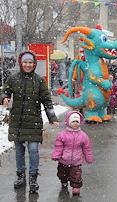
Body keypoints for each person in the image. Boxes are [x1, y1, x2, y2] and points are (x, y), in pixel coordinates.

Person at [0, 51, 59, 192]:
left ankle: (33, 178)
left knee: (33, 150)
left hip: (33, 122)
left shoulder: (39, 80)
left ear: (34, 64)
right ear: (21, 63)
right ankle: (20, 176)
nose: (28, 65)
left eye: (30, 62)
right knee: (19, 151)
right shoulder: (13, 79)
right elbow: (4, 91)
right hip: (18, 122)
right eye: (25, 62)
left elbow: (47, 100)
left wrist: (53, 117)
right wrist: (4, 98)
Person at [51, 111, 94, 196]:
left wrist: (88, 157)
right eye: (73, 121)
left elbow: (87, 148)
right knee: (62, 174)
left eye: (77, 122)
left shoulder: (83, 135)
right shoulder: (62, 135)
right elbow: (58, 146)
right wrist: (56, 155)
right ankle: (64, 181)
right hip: (64, 160)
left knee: (76, 175)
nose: (75, 124)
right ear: (68, 122)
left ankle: (76, 187)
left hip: (76, 161)